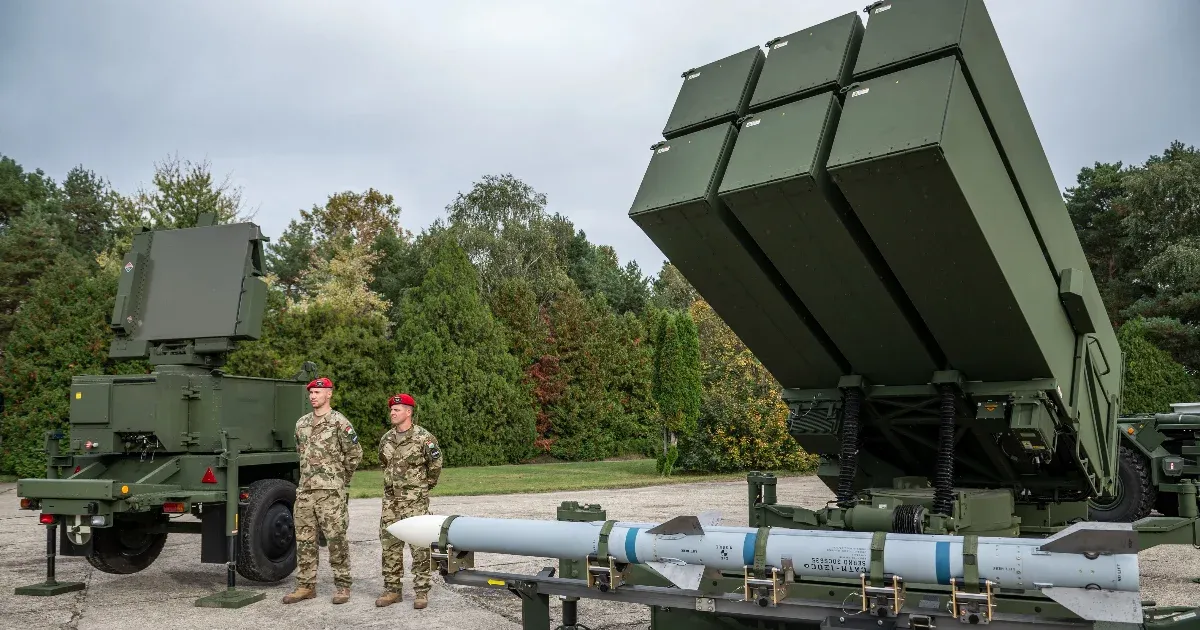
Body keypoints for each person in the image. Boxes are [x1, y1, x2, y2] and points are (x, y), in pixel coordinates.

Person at [282, 377, 363, 605]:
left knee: (336, 538)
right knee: (305, 540)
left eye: (318, 392)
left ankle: (343, 585)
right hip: (306, 491)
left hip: (330, 493)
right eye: (311, 393)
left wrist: (339, 480)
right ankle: (306, 586)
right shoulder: (301, 424)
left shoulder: (339, 423)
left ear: (329, 394)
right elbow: (301, 452)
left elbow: (355, 454)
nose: (313, 396)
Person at [376, 393, 443, 609]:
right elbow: (384, 463)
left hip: (415, 502)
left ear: (409, 412)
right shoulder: (386, 439)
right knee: (389, 546)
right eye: (392, 409)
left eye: (397, 409)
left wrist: (422, 488)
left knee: (420, 548)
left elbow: (435, 465)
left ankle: (421, 592)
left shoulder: (424, 438)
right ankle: (392, 590)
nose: (392, 412)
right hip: (390, 503)